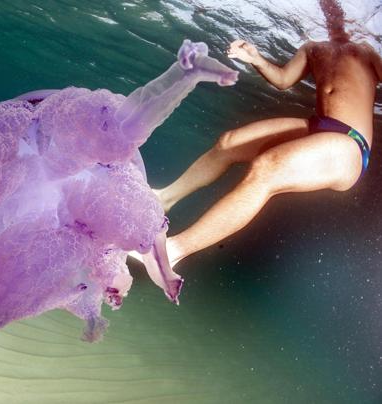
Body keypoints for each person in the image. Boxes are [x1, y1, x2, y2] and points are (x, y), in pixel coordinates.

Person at [154, 0, 382, 268]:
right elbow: (284, 80)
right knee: (229, 143)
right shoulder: (312, 49)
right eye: (326, 7)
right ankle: (164, 199)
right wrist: (255, 59)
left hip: (350, 145)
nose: (332, 13)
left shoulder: (365, 51)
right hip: (318, 126)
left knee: (266, 168)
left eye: (337, 8)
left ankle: (173, 251)